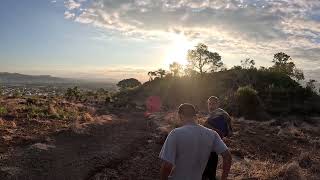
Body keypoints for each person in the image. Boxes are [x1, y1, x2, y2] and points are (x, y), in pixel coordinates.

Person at [159, 103, 232, 180]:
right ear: (195, 116)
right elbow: (228, 157)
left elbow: (167, 166)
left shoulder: (175, 133)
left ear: (180, 116)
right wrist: (224, 178)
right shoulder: (212, 134)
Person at [203, 96, 233, 180]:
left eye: (213, 104)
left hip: (211, 147)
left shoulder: (221, 115)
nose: (211, 106)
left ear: (218, 104)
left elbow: (222, 132)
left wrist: (207, 127)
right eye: (209, 104)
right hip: (209, 147)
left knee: (207, 172)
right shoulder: (213, 115)